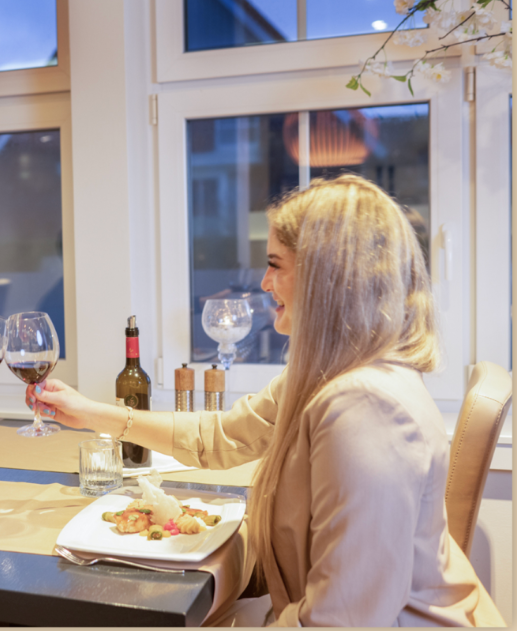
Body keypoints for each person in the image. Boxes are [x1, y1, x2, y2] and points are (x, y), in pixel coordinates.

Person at [27, 175, 503, 626]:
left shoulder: (366, 408)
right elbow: (220, 437)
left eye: (275, 264)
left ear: (327, 277)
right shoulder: (325, 374)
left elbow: (344, 620)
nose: (263, 283)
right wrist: (92, 414)